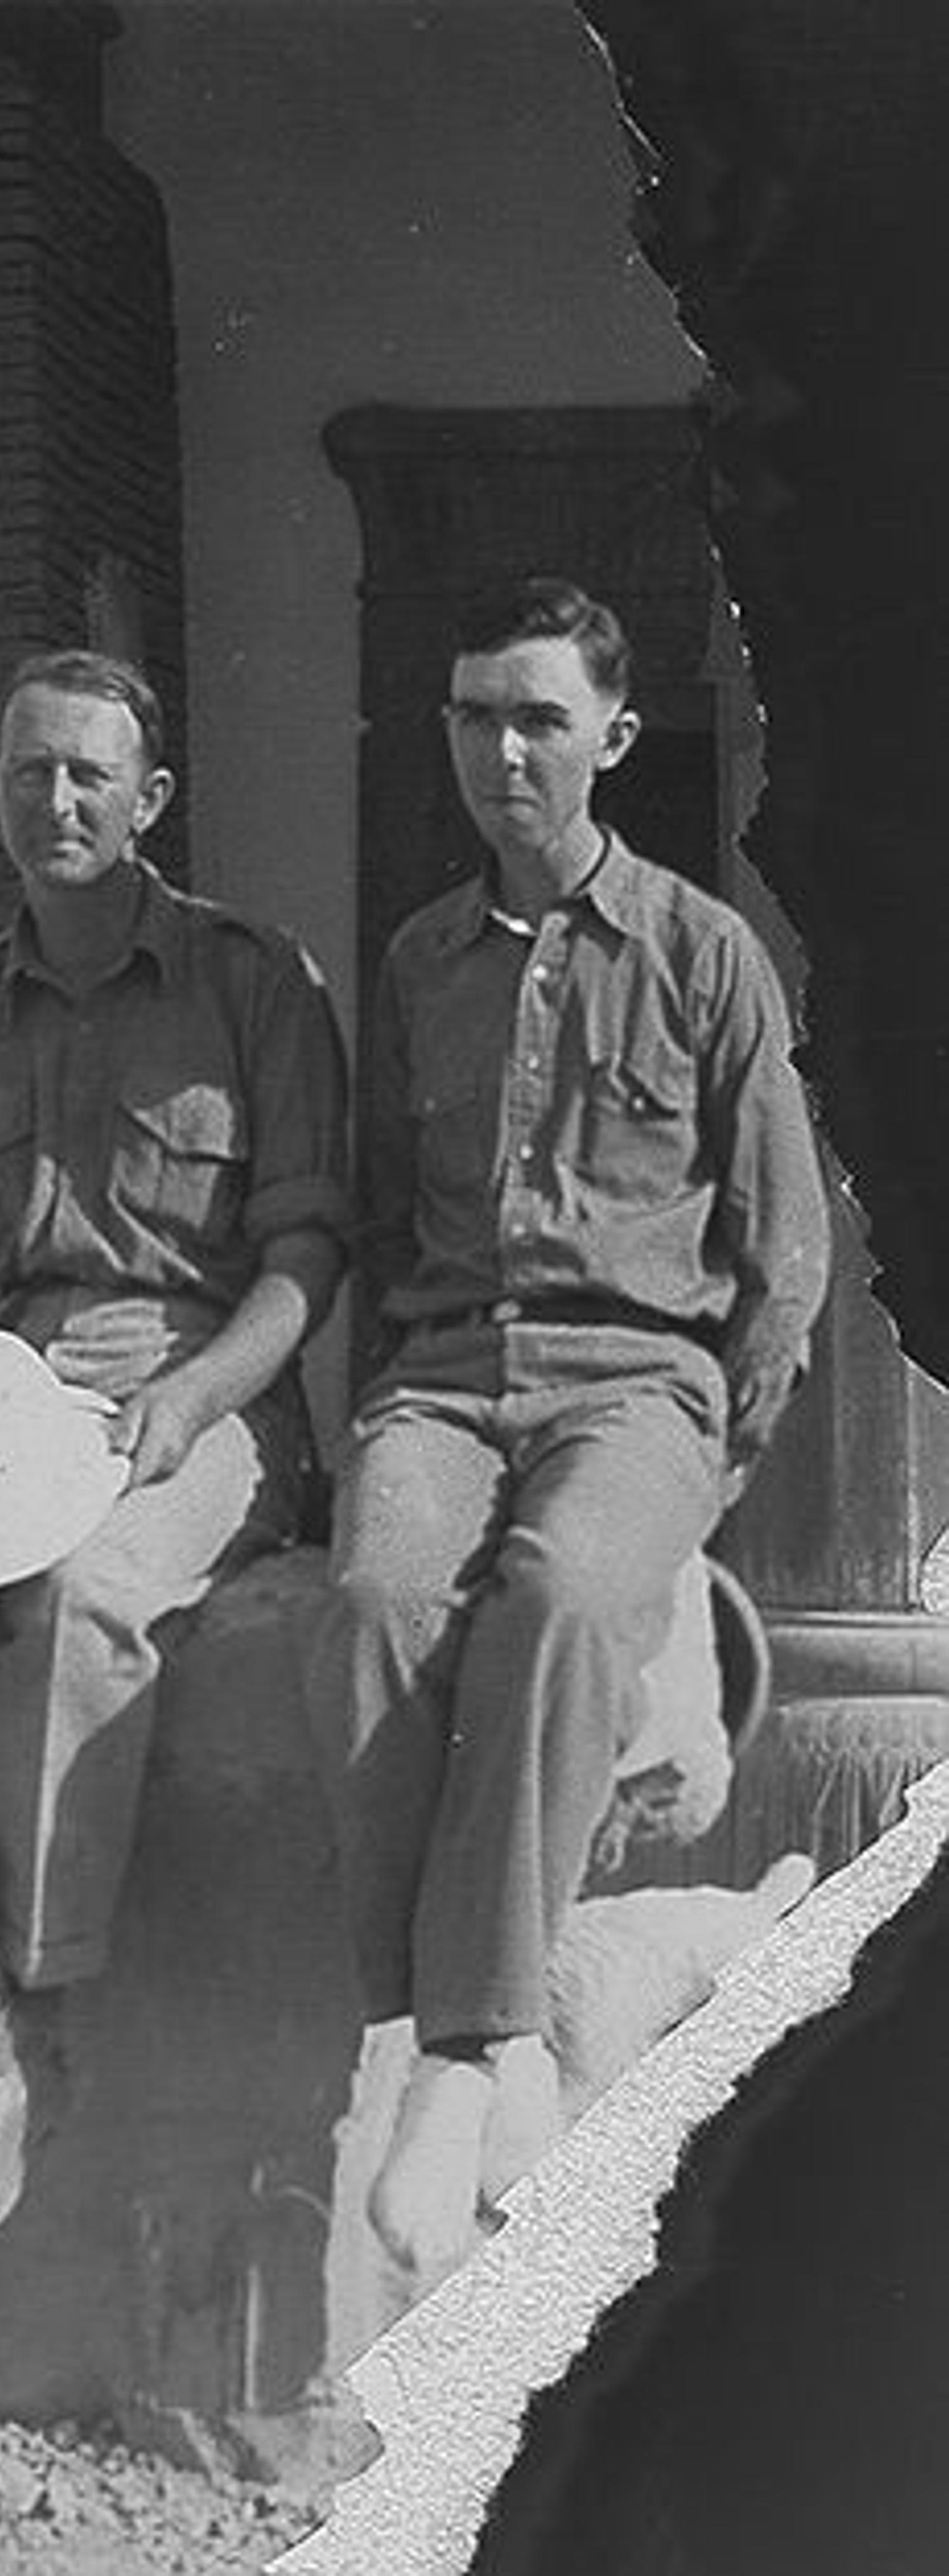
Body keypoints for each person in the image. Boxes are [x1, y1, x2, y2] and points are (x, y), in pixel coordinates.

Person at [0, 648, 351, 2285]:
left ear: (149, 799)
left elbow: (309, 1251)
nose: (59, 804)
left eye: (91, 776)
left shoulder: (252, 984)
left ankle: (24, 2034)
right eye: (30, 773)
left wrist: (194, 1400)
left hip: (203, 1386)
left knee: (74, 1602)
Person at [312, 577, 831, 2282]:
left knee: (554, 1594)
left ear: (611, 738)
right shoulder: (417, 961)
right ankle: (487, 2042)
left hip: (639, 1383)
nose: (504, 751)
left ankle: (464, 2050)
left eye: (540, 717)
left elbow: (782, 1252)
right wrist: (382, 1406)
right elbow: (385, 1223)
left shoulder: (702, 949)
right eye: (476, 715)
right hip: (451, 1370)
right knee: (377, 1599)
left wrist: (714, 1462)